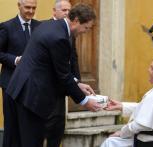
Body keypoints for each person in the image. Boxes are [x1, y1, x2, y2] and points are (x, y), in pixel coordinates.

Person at [4, 3, 102, 147]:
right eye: (86, 28)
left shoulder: (48, 26)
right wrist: (84, 101)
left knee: (16, 142)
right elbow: (62, 75)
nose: (85, 32)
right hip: (31, 98)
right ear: (75, 21)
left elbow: (54, 68)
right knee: (31, 143)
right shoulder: (60, 37)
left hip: (18, 91)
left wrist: (77, 84)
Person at [101, 57, 153, 147]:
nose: (148, 70)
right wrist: (121, 106)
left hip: (150, 140)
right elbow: (149, 109)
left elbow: (140, 124)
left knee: (110, 142)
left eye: (152, 68)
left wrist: (121, 133)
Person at [45, 1, 87, 147]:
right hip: (47, 88)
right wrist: (83, 100)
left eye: (69, 10)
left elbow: (72, 58)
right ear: (54, 11)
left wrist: (78, 81)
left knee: (58, 125)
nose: (67, 13)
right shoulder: (46, 28)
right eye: (64, 10)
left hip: (63, 86)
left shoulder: (70, 32)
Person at [0, 0, 41, 146]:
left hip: (33, 87)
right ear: (19, 6)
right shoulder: (6, 26)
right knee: (12, 127)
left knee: (29, 128)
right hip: (11, 84)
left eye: (34, 8)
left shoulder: (40, 27)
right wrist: (15, 60)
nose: (31, 11)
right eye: (27, 7)